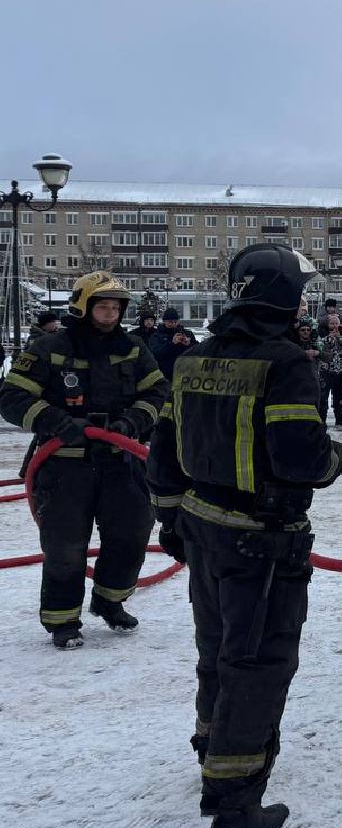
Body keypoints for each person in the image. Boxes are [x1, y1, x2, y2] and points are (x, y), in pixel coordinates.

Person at [145, 243, 342, 828]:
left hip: (203, 528)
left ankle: (212, 745)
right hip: (262, 539)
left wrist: (170, 518)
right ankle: (234, 803)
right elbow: (299, 458)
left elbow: (163, 450)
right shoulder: (286, 363)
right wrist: (334, 457)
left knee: (217, 647)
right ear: (283, 296)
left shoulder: (195, 359)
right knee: (258, 663)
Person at [0, 271, 168, 649]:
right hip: (64, 463)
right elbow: (11, 398)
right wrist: (56, 421)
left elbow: (159, 392)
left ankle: (110, 601)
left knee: (131, 533)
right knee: (65, 545)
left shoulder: (133, 348)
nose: (110, 314)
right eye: (103, 306)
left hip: (120, 460)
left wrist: (134, 421)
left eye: (115, 308)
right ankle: (62, 621)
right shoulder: (49, 348)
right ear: (83, 305)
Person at [314, 314, 342, 427]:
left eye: (336, 323)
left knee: (338, 396)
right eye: (332, 323)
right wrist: (331, 337)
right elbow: (320, 345)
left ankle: (339, 418)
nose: (334, 326)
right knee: (324, 396)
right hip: (326, 370)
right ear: (327, 324)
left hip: (339, 370)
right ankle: (322, 419)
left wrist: (339, 337)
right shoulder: (322, 334)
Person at [148, 307, 198, 381]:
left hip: (185, 373)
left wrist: (189, 344)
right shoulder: (156, 336)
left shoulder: (187, 333)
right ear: (164, 321)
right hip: (165, 375)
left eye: (175, 321)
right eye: (170, 322)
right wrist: (172, 343)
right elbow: (156, 354)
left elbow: (198, 351)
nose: (173, 324)